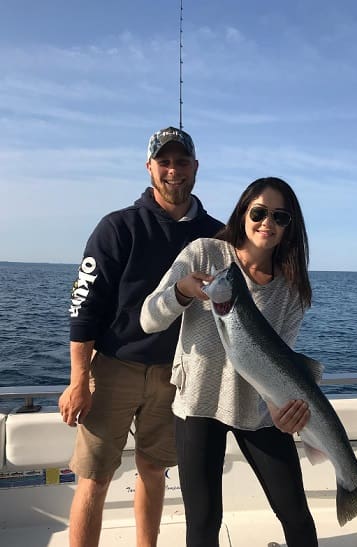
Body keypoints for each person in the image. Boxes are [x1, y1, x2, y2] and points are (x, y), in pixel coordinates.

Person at [58, 126, 223, 547]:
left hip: (177, 376)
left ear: (196, 168)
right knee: (94, 478)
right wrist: (79, 379)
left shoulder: (218, 237)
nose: (173, 171)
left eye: (181, 161)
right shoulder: (117, 228)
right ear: (149, 167)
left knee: (154, 471)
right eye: (164, 162)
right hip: (114, 368)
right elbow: (84, 307)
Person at [140, 177, 318, 547]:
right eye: (258, 212)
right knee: (204, 523)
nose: (267, 222)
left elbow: (278, 365)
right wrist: (181, 292)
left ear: (289, 228)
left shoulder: (292, 289)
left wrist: (283, 411)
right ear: (243, 214)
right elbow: (148, 319)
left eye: (280, 217)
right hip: (198, 405)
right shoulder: (204, 253)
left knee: (296, 515)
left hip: (257, 411)